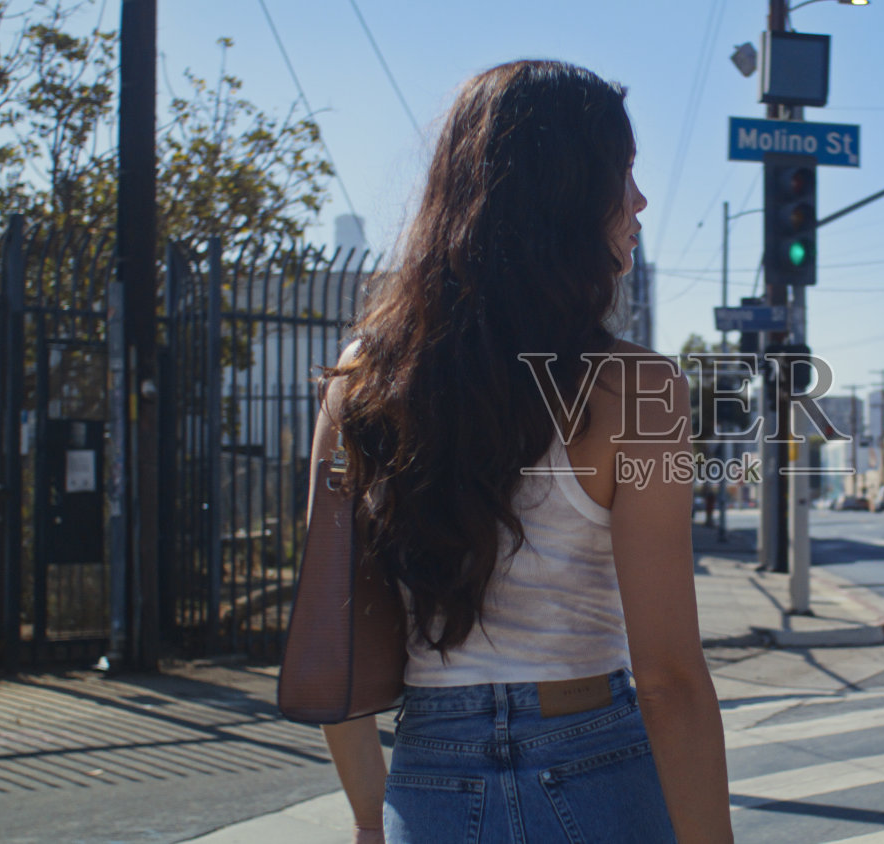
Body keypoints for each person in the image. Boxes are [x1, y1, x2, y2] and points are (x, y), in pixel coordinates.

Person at [311, 61, 732, 843]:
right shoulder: (637, 389)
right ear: (566, 195)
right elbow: (670, 677)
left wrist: (372, 819)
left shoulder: (361, 380)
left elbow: (332, 630)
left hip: (428, 777)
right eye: (624, 173)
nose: (640, 202)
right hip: (596, 763)